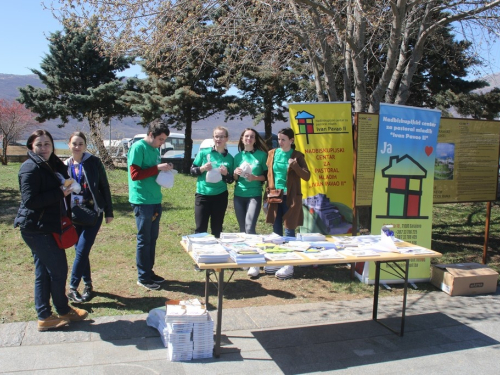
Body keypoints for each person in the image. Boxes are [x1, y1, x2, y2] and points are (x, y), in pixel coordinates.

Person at [14, 129, 89, 331]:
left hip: (48, 226)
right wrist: (59, 192)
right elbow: (30, 201)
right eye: (39, 145)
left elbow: (63, 180)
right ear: (31, 146)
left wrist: (68, 185)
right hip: (37, 229)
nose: (44, 148)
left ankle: (45, 315)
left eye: (47, 144)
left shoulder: (52, 163)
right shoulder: (30, 168)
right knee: (58, 270)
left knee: (43, 272)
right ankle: (63, 310)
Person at [65, 132, 114, 303]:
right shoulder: (66, 165)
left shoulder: (94, 162)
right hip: (74, 214)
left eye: (81, 143)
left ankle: (72, 287)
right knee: (81, 252)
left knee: (82, 250)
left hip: (93, 212)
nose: (77, 147)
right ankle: (88, 285)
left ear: (85, 146)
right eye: (74, 143)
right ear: (69, 145)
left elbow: (104, 186)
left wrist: (109, 211)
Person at [128, 120, 174, 291]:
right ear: (151, 135)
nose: (162, 143)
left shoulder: (155, 149)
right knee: (143, 239)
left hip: (155, 199)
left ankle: (149, 271)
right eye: (160, 139)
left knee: (152, 238)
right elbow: (134, 174)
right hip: (142, 201)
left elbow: (154, 170)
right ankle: (143, 277)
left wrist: (165, 168)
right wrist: (157, 168)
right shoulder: (138, 148)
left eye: (164, 140)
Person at [265, 127, 310, 280]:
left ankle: (289, 265)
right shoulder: (272, 153)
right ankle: (278, 261)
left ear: (291, 140)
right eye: (279, 139)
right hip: (275, 196)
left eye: (283, 139)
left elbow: (306, 176)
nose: (280, 142)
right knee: (276, 231)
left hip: (291, 198)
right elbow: (269, 174)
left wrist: (295, 166)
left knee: (289, 229)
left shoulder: (297, 156)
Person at [232, 129, 268, 278]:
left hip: (254, 194)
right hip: (239, 195)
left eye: (251, 137)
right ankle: (246, 258)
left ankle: (255, 264)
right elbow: (233, 178)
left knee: (249, 227)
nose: (249, 138)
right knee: (242, 229)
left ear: (255, 139)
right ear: (242, 138)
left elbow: (266, 177)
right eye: (246, 136)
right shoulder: (238, 156)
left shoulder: (261, 155)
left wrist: (254, 178)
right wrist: (235, 172)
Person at [191, 126, 234, 238]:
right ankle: (200, 253)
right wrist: (203, 168)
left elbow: (230, 180)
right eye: (216, 136)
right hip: (203, 195)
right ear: (213, 138)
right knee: (200, 228)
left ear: (226, 138)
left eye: (221, 137)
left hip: (220, 196)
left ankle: (215, 254)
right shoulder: (204, 153)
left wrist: (226, 174)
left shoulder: (229, 158)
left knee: (217, 228)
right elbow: (192, 171)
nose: (218, 139)